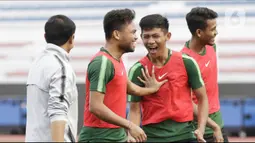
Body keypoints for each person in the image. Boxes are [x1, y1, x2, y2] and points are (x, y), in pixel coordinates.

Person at [78, 9, 167, 142]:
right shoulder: (102, 62)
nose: (136, 37)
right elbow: (95, 106)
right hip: (100, 137)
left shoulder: (117, 61)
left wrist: (152, 89)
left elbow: (132, 89)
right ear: (117, 34)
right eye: (132, 32)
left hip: (115, 136)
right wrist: (130, 125)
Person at [127, 14, 210, 142]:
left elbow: (202, 98)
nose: (150, 41)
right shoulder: (137, 69)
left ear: (167, 36)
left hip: (186, 136)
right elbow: (134, 109)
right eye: (146, 36)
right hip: (153, 137)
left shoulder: (187, 62)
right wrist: (131, 134)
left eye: (155, 36)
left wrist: (201, 128)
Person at [25, 15, 78, 142]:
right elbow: (58, 112)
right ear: (71, 38)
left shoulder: (37, 64)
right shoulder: (61, 67)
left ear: (45, 37)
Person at [181, 7, 229, 142]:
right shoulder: (184, 61)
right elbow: (187, 103)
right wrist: (212, 126)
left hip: (218, 124)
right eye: (212, 29)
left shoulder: (211, 46)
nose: (216, 32)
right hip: (198, 131)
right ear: (199, 32)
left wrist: (216, 126)